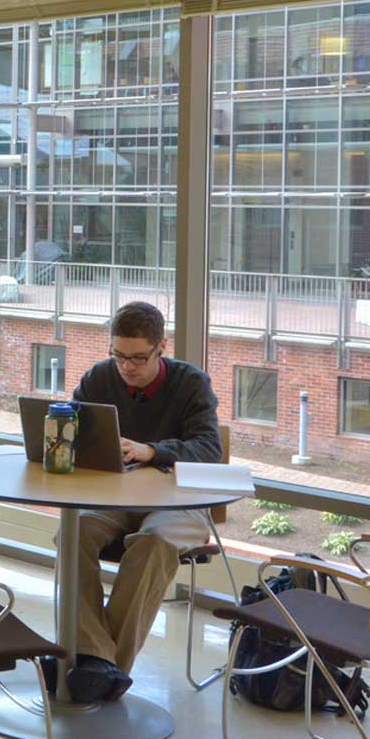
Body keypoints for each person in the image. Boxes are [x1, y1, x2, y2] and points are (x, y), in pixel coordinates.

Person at [66, 301, 222, 703]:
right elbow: (72, 430)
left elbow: (209, 449)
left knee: (153, 543)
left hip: (176, 499)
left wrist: (153, 450)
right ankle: (99, 662)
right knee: (73, 532)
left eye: (138, 358)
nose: (126, 367)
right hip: (117, 494)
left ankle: (100, 668)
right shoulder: (99, 379)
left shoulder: (191, 383)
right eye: (118, 356)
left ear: (160, 348)